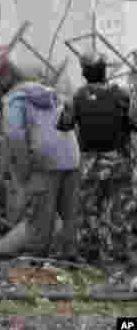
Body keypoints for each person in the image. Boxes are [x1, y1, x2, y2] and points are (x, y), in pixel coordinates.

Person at [57, 53, 136, 265]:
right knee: (118, 211)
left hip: (90, 165)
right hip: (118, 163)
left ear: (84, 72)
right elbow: (133, 123)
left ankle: (88, 256)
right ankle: (116, 256)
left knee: (89, 210)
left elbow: (64, 124)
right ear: (104, 71)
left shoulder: (79, 96)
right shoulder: (121, 95)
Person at [0, 61, 80, 258]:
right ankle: (70, 255)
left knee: (40, 216)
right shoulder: (52, 93)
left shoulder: (14, 100)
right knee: (70, 214)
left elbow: (15, 136)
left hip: (45, 161)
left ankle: (37, 260)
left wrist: (24, 169)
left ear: (6, 80)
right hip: (71, 156)